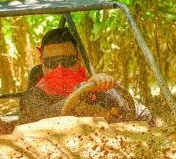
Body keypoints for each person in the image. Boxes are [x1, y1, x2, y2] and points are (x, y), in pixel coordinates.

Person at [19, 27, 153, 124]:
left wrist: (109, 87)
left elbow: (143, 115)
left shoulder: (98, 89)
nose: (60, 69)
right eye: (51, 62)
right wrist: (79, 95)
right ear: (42, 62)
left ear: (78, 60)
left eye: (67, 61)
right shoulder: (33, 96)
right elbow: (40, 119)